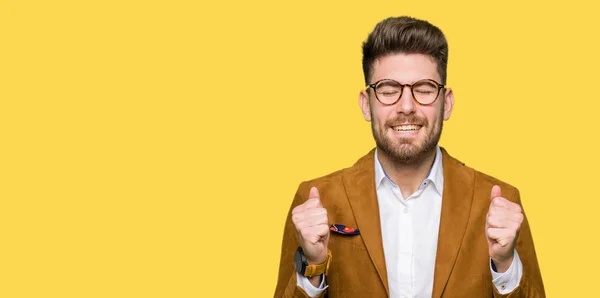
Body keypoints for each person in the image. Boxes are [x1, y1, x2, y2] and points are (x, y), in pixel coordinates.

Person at [273, 16, 545, 298]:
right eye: (388, 90)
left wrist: (505, 266)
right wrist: (314, 267)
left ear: (447, 103)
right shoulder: (317, 201)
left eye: (424, 89)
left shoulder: (500, 203)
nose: (406, 106)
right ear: (366, 105)